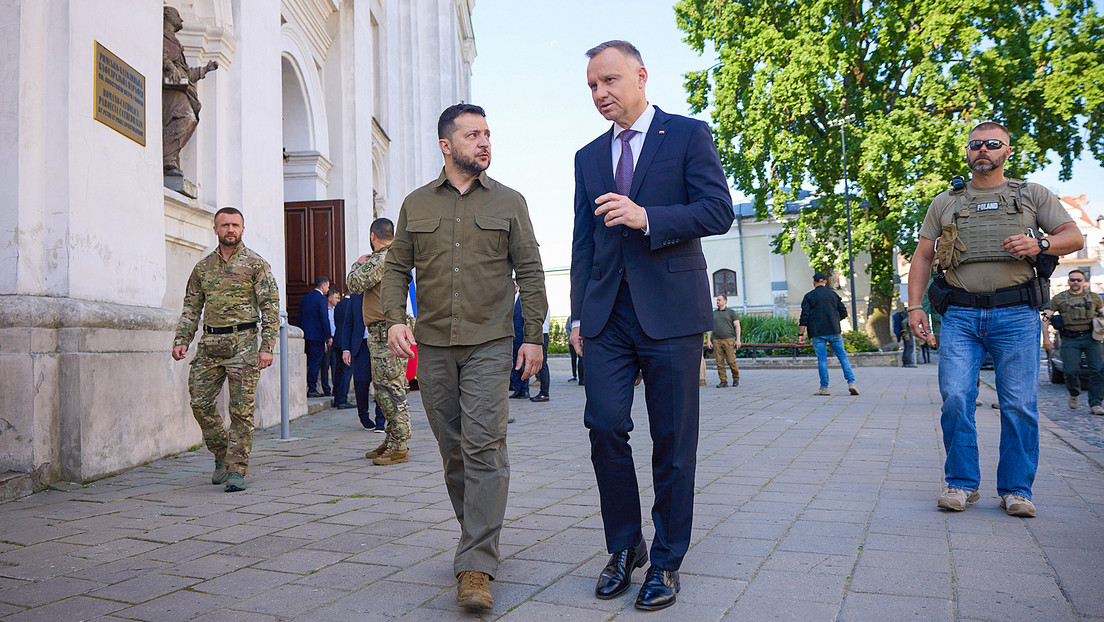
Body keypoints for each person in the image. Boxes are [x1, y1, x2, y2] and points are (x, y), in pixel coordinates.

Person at [569, 41, 733, 611]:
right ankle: (625, 545)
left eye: (609, 80)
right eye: (592, 85)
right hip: (607, 316)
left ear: (641, 76)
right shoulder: (588, 156)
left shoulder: (687, 135)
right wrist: (578, 313)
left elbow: (718, 210)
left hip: (671, 312)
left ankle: (666, 558)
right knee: (604, 423)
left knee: (673, 439)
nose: (600, 93)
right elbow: (583, 240)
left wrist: (648, 217)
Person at [381, 103, 547, 611]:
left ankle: (476, 563)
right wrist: (394, 319)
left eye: (487, 133)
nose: (484, 142)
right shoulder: (415, 204)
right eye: (473, 134)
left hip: (490, 343)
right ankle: (477, 536)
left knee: (484, 447)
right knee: (453, 450)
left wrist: (534, 336)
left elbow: (531, 271)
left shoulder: (510, 202)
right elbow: (396, 269)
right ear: (446, 145)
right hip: (433, 345)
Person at [908, 121, 1082, 519]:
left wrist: (1039, 243)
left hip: (1017, 315)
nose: (982, 150)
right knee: (956, 398)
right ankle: (961, 484)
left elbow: (1074, 237)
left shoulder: (1032, 194)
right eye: (975, 145)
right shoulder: (945, 201)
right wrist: (915, 306)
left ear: (1007, 151)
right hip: (960, 315)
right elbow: (923, 255)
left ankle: (1016, 490)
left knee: (1019, 404)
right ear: (968, 152)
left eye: (991, 144)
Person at [172, 207, 279, 492]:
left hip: (244, 345)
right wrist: (182, 340)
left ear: (242, 229)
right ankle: (221, 452)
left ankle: (236, 469)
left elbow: (270, 308)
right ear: (215, 229)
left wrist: (267, 347)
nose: (230, 229)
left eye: (235, 225)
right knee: (200, 403)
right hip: (210, 345)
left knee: (241, 411)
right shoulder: (203, 268)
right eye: (224, 225)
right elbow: (191, 308)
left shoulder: (256, 264)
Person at [347, 218, 413, 465]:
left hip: (386, 332)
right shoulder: (395, 255)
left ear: (372, 236)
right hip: (384, 331)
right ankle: (392, 439)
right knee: (384, 389)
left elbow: (354, 283)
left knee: (391, 389)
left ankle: (400, 446)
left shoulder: (383, 258)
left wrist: (358, 264)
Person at [1046, 269, 1104, 414]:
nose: (1076, 282)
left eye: (1079, 280)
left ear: (1084, 281)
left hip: (1091, 338)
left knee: (1098, 370)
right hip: (1069, 338)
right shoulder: (1059, 298)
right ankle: (1074, 392)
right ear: (1068, 281)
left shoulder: (1094, 297)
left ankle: (1096, 403)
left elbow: (1102, 312)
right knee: (1070, 371)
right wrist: (1046, 339)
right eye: (1073, 280)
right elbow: (1046, 317)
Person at [798, 273, 859, 395]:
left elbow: (804, 316)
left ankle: (824, 388)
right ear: (825, 282)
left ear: (814, 282)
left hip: (817, 332)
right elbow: (843, 312)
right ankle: (851, 382)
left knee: (822, 359)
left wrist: (801, 334)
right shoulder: (833, 294)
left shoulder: (809, 296)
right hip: (834, 330)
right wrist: (834, 320)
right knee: (842, 357)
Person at [341, 292, 384, 431]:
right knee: (361, 381)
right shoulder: (355, 297)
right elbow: (348, 324)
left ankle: (381, 421)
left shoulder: (382, 293)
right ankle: (363, 416)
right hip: (361, 345)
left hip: (380, 343)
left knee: (381, 381)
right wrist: (346, 349)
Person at [298, 276, 331, 397]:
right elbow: (324, 318)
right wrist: (328, 337)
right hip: (317, 337)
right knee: (315, 363)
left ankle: (306, 386)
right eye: (328, 287)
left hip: (305, 335)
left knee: (308, 362)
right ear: (323, 286)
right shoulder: (322, 299)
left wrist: (300, 332)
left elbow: (299, 316)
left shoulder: (305, 298)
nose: (328, 289)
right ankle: (312, 388)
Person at [705, 294, 741, 387]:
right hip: (717, 340)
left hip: (729, 340)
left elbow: (737, 326)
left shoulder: (731, 312)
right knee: (719, 362)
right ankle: (723, 381)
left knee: (731, 361)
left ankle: (736, 377)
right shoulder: (714, 313)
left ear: (725, 301)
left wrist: (738, 340)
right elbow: (710, 328)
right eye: (717, 300)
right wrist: (709, 340)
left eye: (719, 300)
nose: (717, 301)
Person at [331, 292, 353, 408]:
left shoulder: (339, 305)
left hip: (337, 340)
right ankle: (342, 400)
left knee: (338, 370)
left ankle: (336, 398)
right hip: (346, 342)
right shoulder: (351, 304)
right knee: (346, 371)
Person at [508, 284, 530, 399]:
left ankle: (525, 390)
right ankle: (517, 389)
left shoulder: (523, 300)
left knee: (522, 365)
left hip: (521, 338)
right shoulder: (510, 300)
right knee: (514, 365)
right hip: (512, 337)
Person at [320, 290, 342, 395]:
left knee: (335, 364)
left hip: (335, 339)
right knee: (325, 365)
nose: (338, 300)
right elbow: (323, 324)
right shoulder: (324, 310)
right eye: (336, 298)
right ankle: (326, 389)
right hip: (327, 339)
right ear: (330, 298)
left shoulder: (336, 310)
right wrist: (325, 341)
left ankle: (335, 389)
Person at [530, 310, 552, 402]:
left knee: (542, 364)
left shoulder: (542, 306)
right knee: (542, 364)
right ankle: (544, 392)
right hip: (540, 334)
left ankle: (544, 393)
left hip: (541, 334)